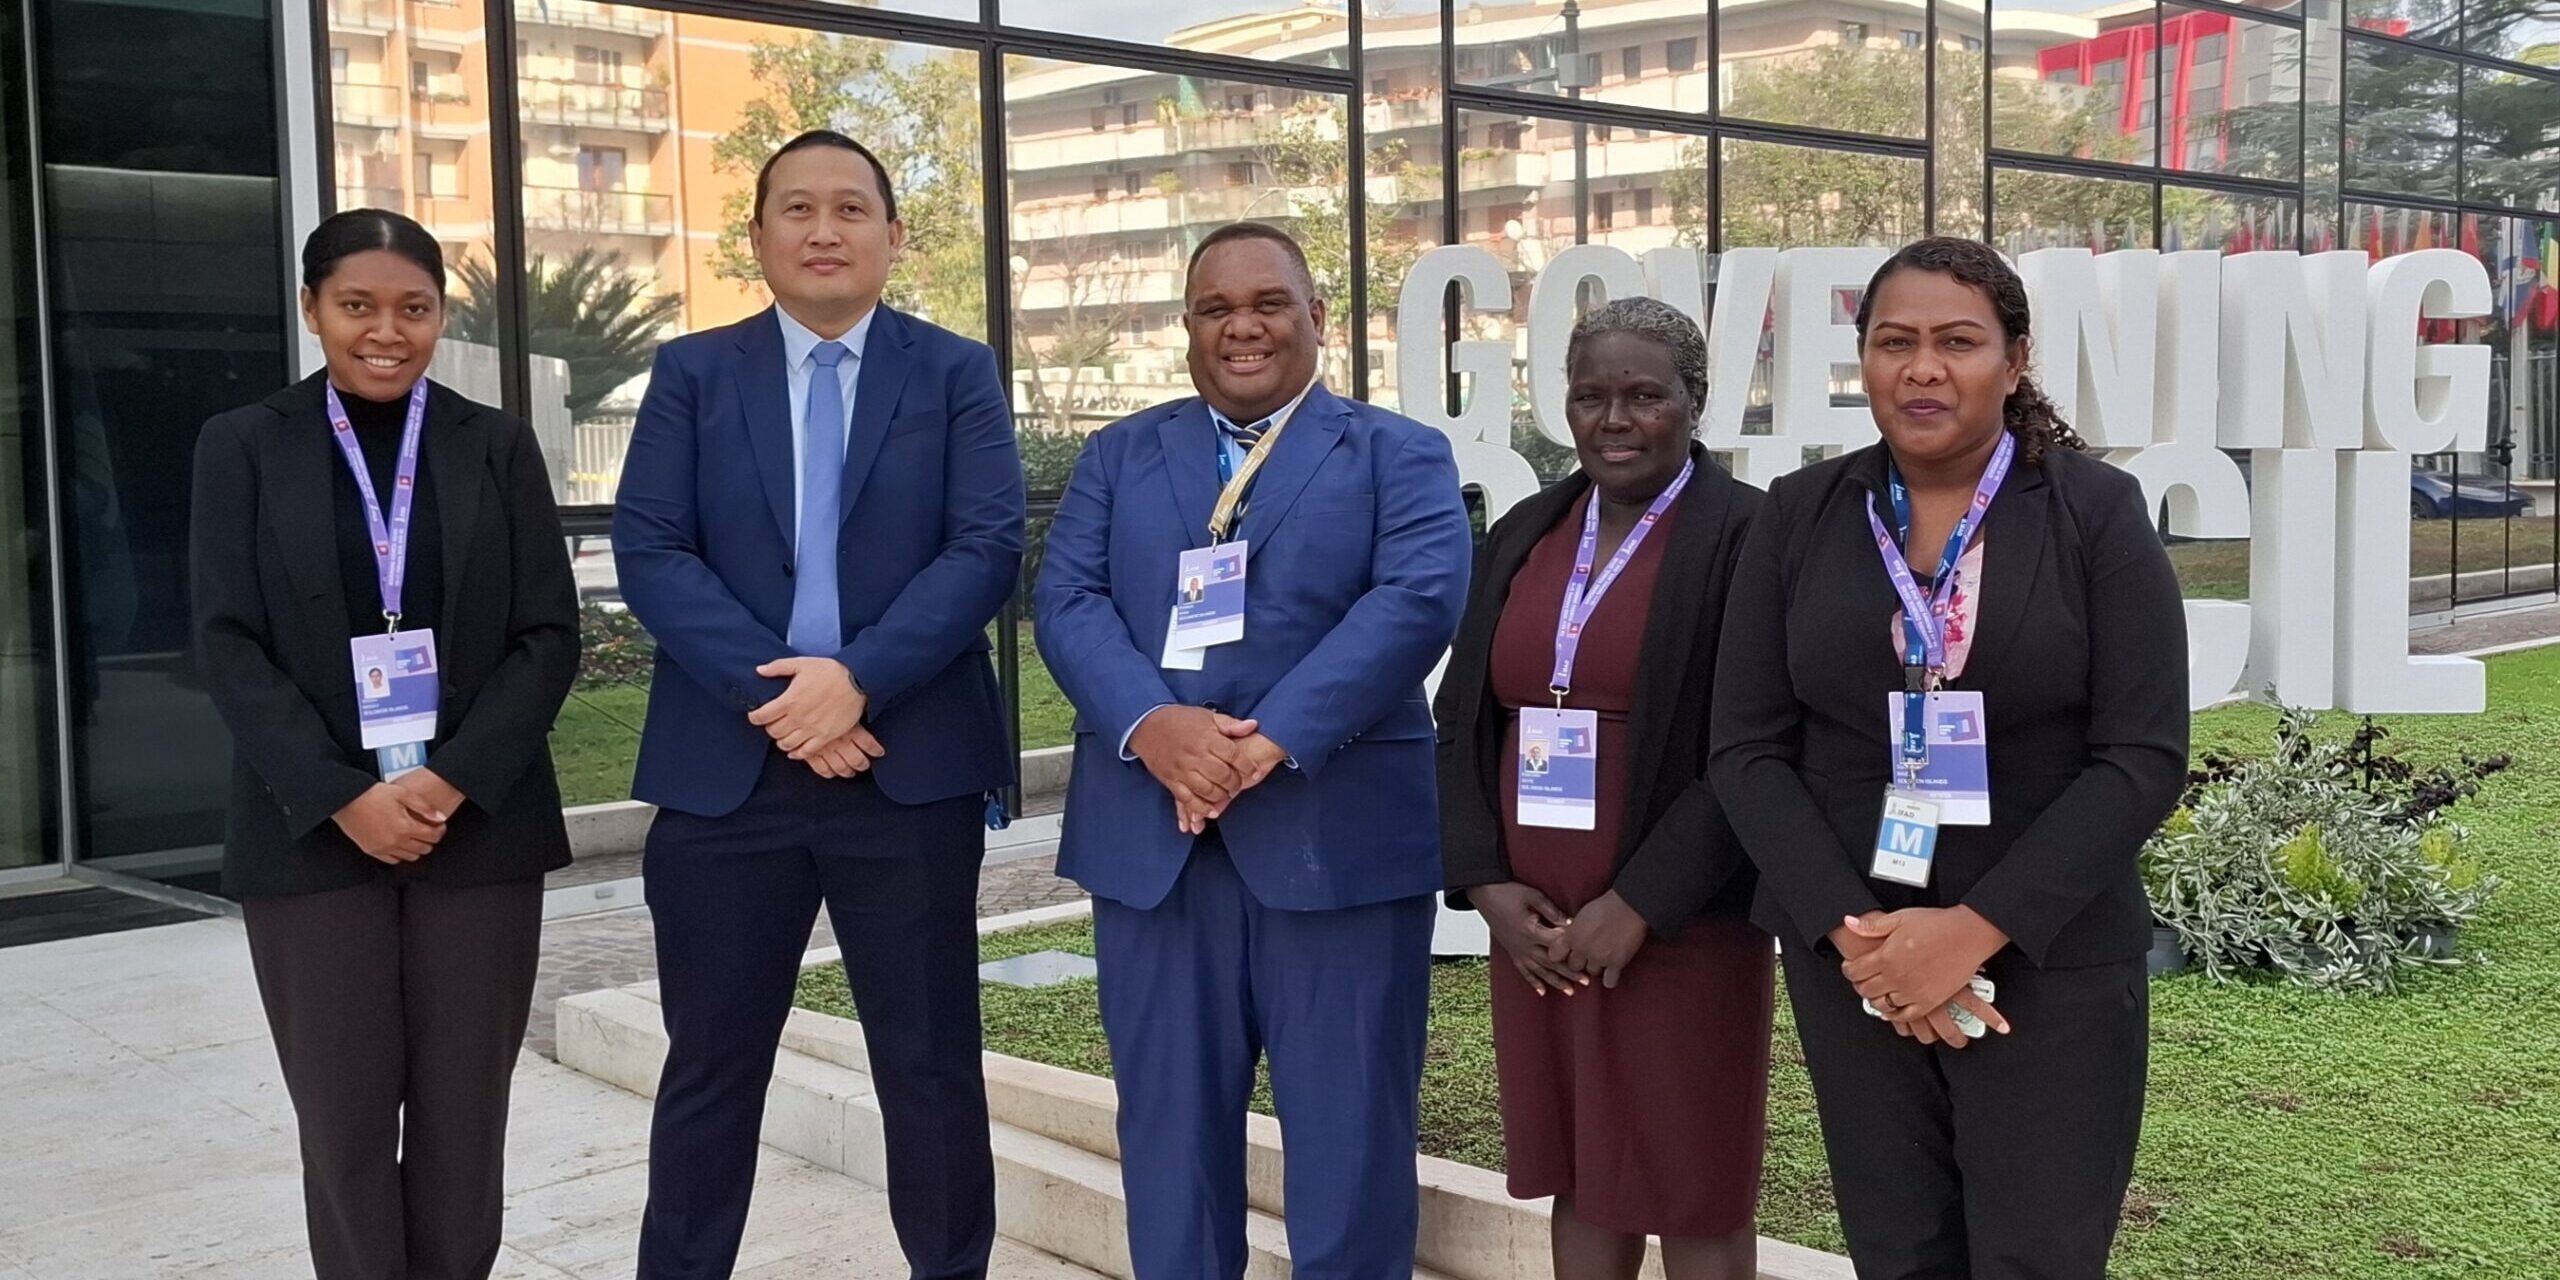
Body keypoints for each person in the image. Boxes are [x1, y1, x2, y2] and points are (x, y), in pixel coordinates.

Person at [1709, 236, 2188, 1280]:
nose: (1922, 368)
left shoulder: (2095, 512)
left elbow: (2142, 755)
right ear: (1864, 360)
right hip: (1855, 958)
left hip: (2048, 959)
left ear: (2014, 362)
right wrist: (1862, 941)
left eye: (1957, 342)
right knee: (1899, 1251)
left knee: (2036, 1255)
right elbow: (1745, 748)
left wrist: (1970, 931)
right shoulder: (1800, 511)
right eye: (1895, 342)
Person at [611, 130, 1025, 1280]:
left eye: (851, 208)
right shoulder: (692, 373)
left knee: (929, 1064)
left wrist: (856, 679)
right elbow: (652, 549)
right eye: (797, 208)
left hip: (906, 766)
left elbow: (985, 545)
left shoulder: (956, 372)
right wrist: (789, 698)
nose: (824, 229)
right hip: (726, 774)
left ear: (894, 234)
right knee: (710, 1066)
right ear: (757, 236)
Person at [1033, 221, 1471, 1278]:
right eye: (1216, 308)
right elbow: (1068, 599)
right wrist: (1155, 728)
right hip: (1154, 850)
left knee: (1350, 1135)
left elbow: (1417, 599)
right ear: (1188, 326)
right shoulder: (1118, 455)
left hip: (1337, 845)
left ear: (1315, 317)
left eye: (1269, 303)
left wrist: (1267, 740)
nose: (1244, 327)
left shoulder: (1398, 453)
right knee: (1168, 1139)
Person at [189, 208, 579, 1280]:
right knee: (344, 1118)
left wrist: (449, 781)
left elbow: (548, 634)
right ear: (311, 308)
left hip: (478, 828)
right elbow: (225, 640)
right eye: (357, 305)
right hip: (310, 836)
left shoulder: (494, 443)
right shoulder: (243, 444)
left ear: (441, 316)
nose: (387, 332)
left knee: (465, 1115)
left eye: (414, 308)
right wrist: (342, 794)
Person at [1436, 298, 1771, 1280]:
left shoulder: (1751, 535)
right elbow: (1462, 717)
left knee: (1694, 1180)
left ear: (1694, 400)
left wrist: (1641, 903)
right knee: (1581, 1169)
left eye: (1643, 395)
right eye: (1590, 396)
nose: (1613, 419)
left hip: (1680, 925)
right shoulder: (1527, 529)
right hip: (1536, 929)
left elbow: (1756, 747)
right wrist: (1486, 885)